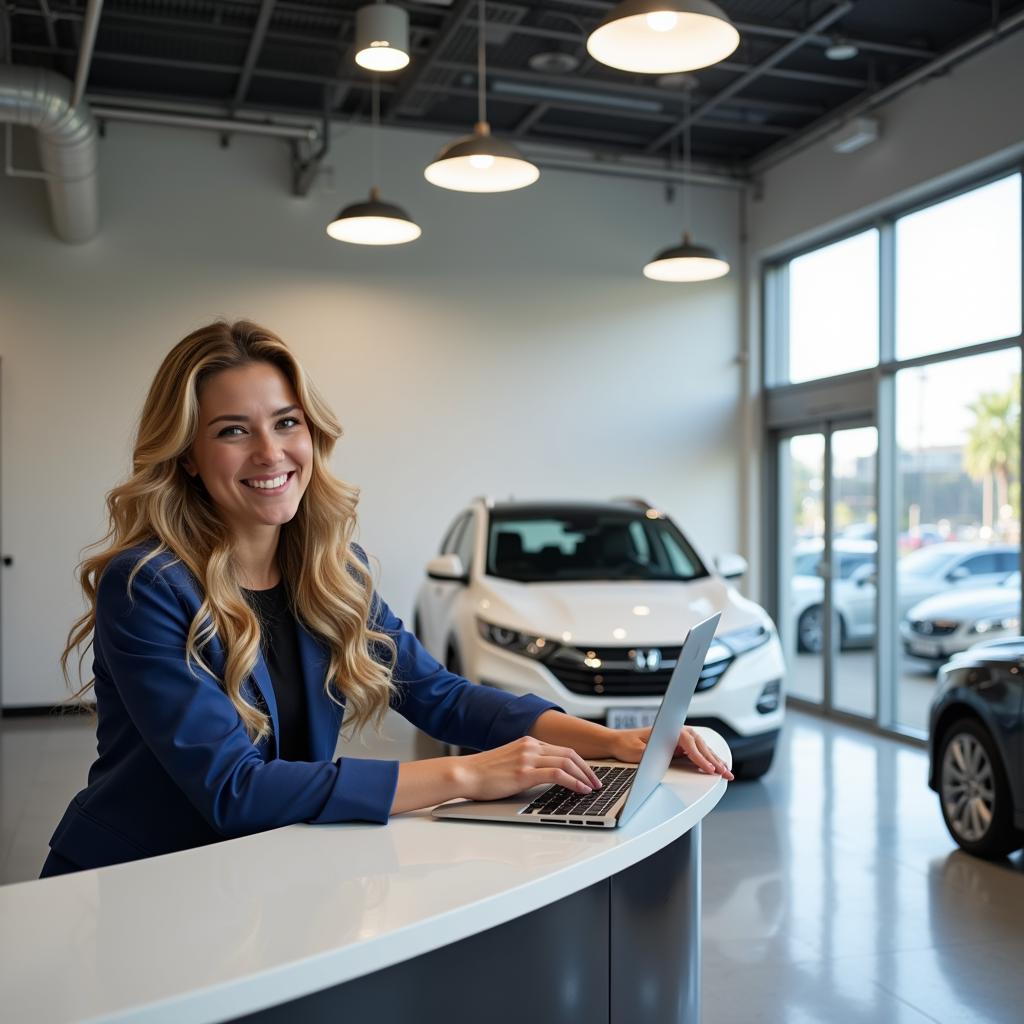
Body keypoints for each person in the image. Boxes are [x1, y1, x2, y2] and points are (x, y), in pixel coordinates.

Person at [41, 320, 733, 878]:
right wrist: (466, 773)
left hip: (254, 871)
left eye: (287, 423)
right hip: (135, 883)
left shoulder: (332, 572)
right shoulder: (148, 587)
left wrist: (612, 741)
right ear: (187, 454)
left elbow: (441, 696)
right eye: (232, 430)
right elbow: (234, 789)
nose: (270, 452)